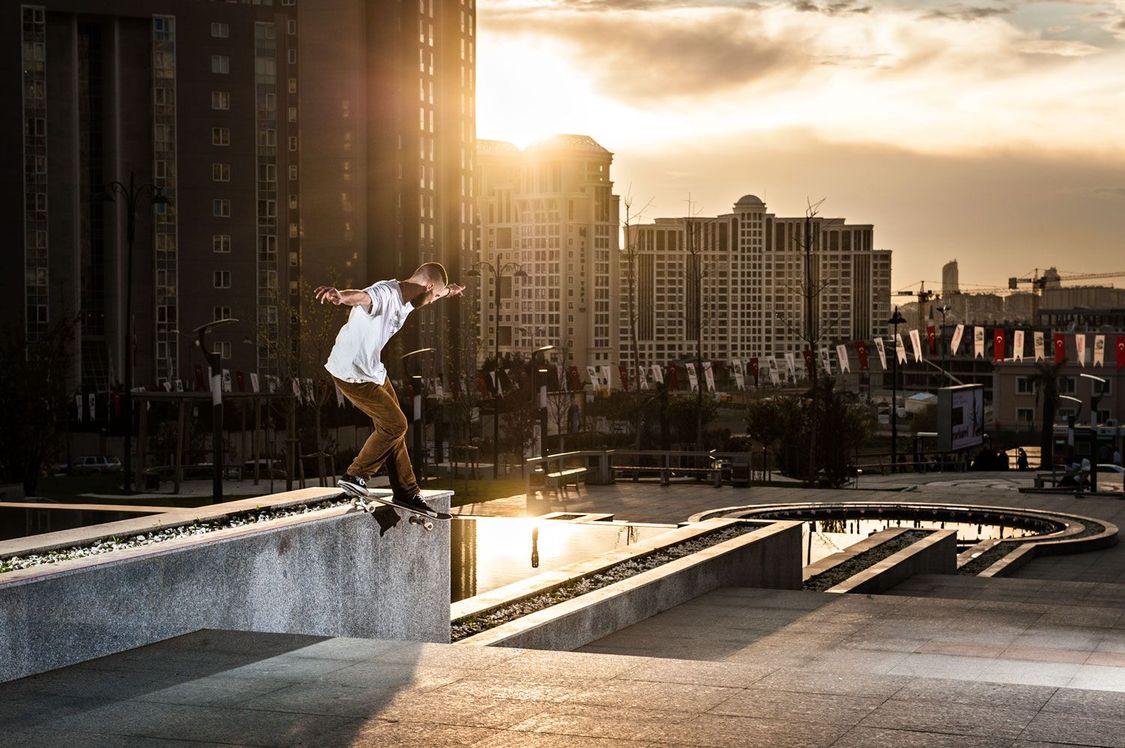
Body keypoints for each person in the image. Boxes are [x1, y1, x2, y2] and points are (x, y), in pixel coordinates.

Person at [316, 263, 464, 514]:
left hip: (373, 371)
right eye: (434, 297)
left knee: (393, 431)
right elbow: (364, 297)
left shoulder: (414, 295)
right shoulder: (386, 294)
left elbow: (438, 291)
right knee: (396, 425)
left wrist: (450, 291)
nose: (431, 303)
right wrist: (341, 296)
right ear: (427, 287)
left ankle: (407, 492)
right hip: (352, 373)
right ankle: (356, 474)